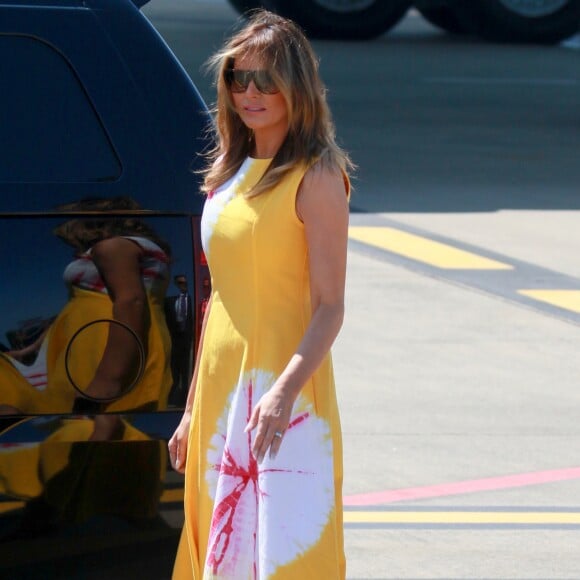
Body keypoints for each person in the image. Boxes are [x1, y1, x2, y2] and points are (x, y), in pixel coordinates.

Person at [168, 9, 352, 579]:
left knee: (280, 553)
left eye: (266, 80)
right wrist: (193, 407)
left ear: (296, 87)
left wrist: (282, 394)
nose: (250, 93)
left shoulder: (317, 176)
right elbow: (219, 300)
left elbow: (330, 306)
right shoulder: (228, 172)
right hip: (224, 387)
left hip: (281, 393)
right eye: (237, 79)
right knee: (224, 548)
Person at [165, 274, 194, 403]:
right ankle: (171, 397)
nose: (184, 285)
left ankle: (184, 399)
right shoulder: (170, 301)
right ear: (176, 284)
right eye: (180, 283)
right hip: (174, 340)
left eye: (185, 283)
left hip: (187, 340)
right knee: (173, 370)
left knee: (186, 370)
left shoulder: (192, 299)